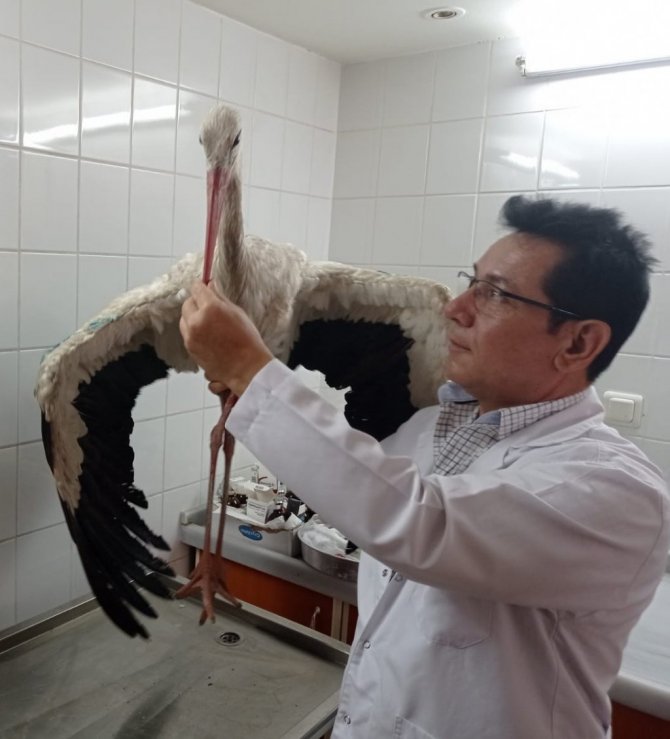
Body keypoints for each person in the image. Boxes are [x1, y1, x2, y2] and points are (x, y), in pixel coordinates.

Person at [180, 196, 669, 739]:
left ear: (579, 342)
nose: (455, 308)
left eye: (495, 294)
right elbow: (360, 488)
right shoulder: (426, 428)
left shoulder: (616, 490)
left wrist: (251, 371)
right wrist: (247, 389)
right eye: (471, 282)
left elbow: (417, 523)